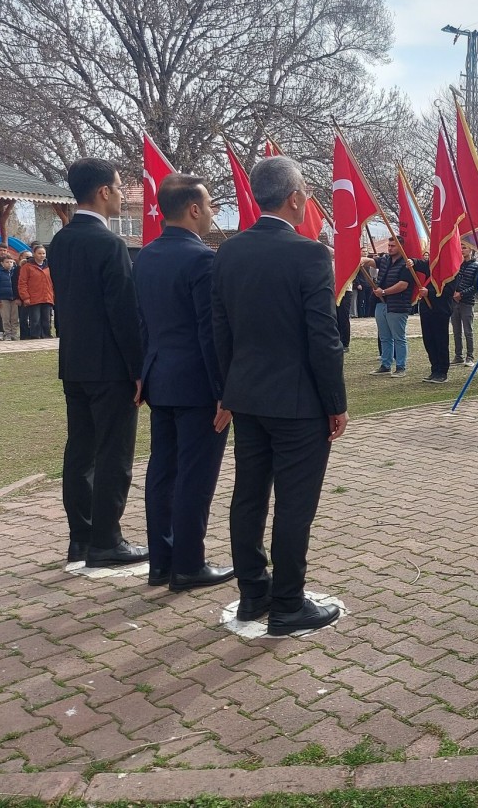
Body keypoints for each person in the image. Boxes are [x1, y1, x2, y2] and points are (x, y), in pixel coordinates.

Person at [212, 155, 347, 636]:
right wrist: (335, 402)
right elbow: (323, 335)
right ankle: (288, 603)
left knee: (249, 495)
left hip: (248, 396)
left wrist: (229, 390)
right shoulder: (310, 253)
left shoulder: (228, 252)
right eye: (305, 190)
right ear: (294, 198)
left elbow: (220, 331)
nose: (308, 197)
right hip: (298, 402)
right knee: (294, 504)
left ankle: (254, 593)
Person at [133, 173, 234, 592]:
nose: (211, 213)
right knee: (195, 476)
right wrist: (223, 391)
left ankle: (163, 561)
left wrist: (142, 372)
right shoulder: (202, 260)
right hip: (196, 384)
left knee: (162, 471)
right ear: (194, 209)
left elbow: (141, 322)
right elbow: (210, 333)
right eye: (209, 205)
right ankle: (189, 564)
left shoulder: (146, 255)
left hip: (160, 377)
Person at [47, 157, 147, 567]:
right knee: (113, 453)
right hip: (110, 366)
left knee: (80, 451)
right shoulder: (109, 244)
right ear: (104, 191)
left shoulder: (60, 241)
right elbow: (123, 313)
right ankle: (107, 541)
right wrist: (138, 369)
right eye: (119, 187)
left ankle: (81, 538)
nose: (121, 195)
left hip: (74, 360)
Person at [364, 237, 415, 377]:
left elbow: (403, 285)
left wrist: (384, 292)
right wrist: (362, 259)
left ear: (401, 246)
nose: (390, 248)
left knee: (399, 337)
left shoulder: (407, 263)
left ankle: (400, 367)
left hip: (398, 304)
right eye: (389, 245)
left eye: (393, 246)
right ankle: (385, 364)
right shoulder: (385, 260)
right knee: (384, 337)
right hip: (381, 303)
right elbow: (372, 262)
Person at [409, 255, 453, 384]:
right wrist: (413, 261)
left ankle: (442, 371)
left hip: (440, 309)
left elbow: (449, 291)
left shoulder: (451, 270)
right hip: (426, 309)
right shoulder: (432, 265)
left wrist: (430, 293)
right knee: (429, 340)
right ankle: (434, 369)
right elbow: (421, 264)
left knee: (440, 341)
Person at [450, 242, 478, 365]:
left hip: (467, 302)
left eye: (464, 248)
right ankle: (458, 356)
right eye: (460, 247)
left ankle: (470, 356)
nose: (462, 250)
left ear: (470, 249)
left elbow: (475, 286)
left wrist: (461, 294)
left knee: (468, 331)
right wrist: (453, 293)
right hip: (454, 302)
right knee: (456, 331)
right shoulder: (457, 265)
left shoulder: (476, 266)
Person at [18, 245, 54, 339]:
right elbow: (22, 283)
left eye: (43, 253)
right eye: (39, 253)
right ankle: (35, 335)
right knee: (35, 319)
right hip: (33, 297)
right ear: (34, 254)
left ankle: (46, 335)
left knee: (47, 319)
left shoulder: (48, 266)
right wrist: (25, 297)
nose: (42, 255)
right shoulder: (27, 267)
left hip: (47, 296)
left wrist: (53, 295)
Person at [0, 252, 21, 341]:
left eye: (11, 262)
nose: (9, 264)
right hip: (3, 299)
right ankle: (7, 334)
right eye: (7, 262)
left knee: (14, 318)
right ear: (2, 263)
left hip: (14, 298)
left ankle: (14, 333)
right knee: (6, 318)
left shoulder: (15, 273)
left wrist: (18, 297)